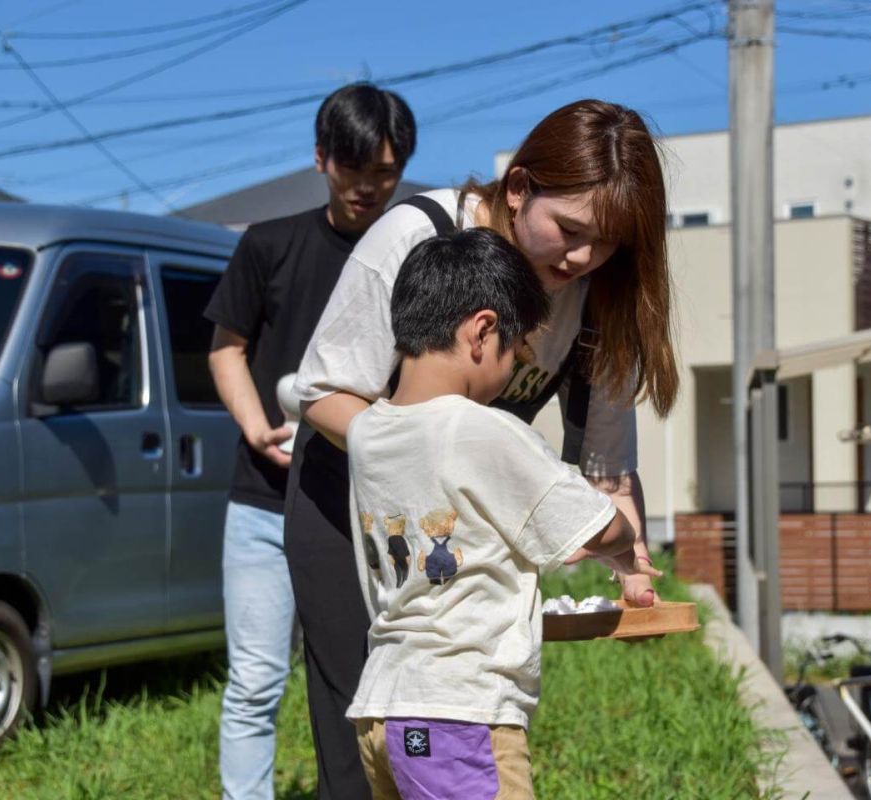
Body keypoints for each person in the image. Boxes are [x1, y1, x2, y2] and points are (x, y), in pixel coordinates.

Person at [285, 98, 677, 798]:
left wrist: (633, 570)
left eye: (609, 242)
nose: (584, 256)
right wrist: (428, 443)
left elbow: (608, 467)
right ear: (519, 188)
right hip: (357, 508)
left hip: (459, 527)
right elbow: (319, 392)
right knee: (356, 760)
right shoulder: (418, 237)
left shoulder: (597, 291)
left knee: (439, 728)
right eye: (570, 229)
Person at [348, 227, 640, 799]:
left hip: (383, 711)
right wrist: (627, 547)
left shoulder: (366, 432)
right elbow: (600, 522)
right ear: (482, 331)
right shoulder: (481, 429)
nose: (513, 375)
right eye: (516, 352)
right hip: (460, 713)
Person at [204, 82, 416, 800]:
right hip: (266, 498)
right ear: (321, 158)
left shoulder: (420, 258)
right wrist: (256, 426)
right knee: (257, 680)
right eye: (353, 169)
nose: (367, 188)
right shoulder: (270, 245)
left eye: (385, 173)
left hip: (368, 512)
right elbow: (226, 349)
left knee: (368, 678)